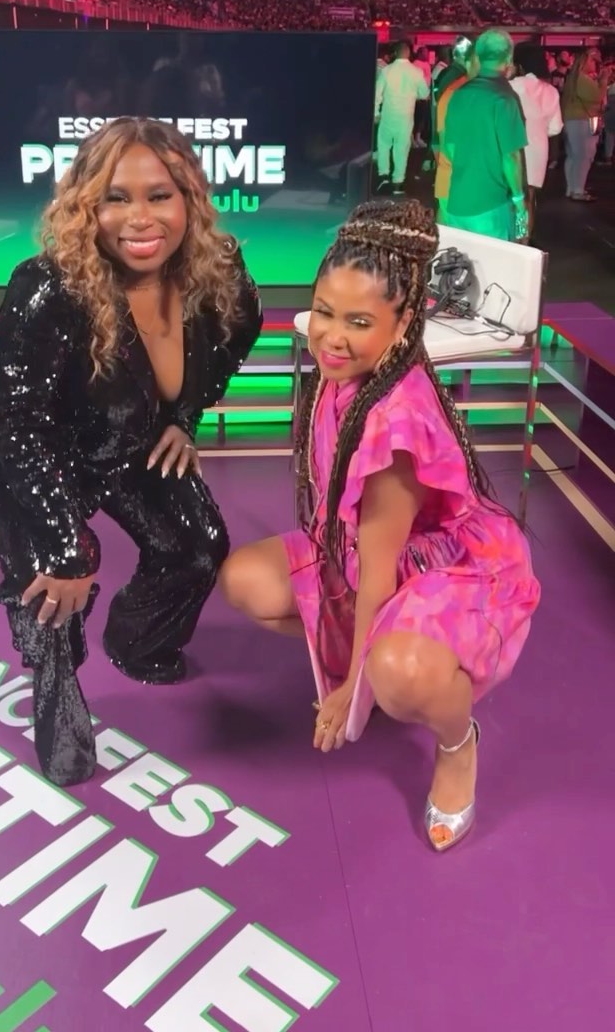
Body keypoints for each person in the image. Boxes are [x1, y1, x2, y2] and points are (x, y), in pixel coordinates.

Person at [221, 200, 539, 853]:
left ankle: (456, 741)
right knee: (246, 580)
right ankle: (385, 672)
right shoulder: (345, 376)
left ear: (401, 327)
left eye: (359, 322)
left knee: (397, 672)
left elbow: (378, 568)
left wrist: (352, 689)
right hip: (366, 553)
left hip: (443, 568)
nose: (332, 337)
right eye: (325, 312)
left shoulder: (394, 427)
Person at [0, 117, 262, 787]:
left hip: (126, 432)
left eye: (159, 195)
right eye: (114, 198)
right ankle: (61, 725)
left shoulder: (217, 268)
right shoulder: (47, 286)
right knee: (53, 593)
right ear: (85, 206)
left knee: (198, 544)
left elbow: (238, 333)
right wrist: (68, 548)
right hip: (29, 454)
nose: (139, 217)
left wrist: (183, 418)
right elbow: (15, 424)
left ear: (189, 197)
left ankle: (138, 643)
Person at [443, 28, 529, 242]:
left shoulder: (458, 94)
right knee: (493, 262)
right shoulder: (505, 98)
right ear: (509, 58)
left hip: (457, 201)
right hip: (491, 205)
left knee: (460, 261)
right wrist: (519, 201)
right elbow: (511, 156)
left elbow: (450, 149)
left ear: (478, 57)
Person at [510, 43, 563, 228]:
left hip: (512, 146)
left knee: (512, 195)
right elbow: (556, 128)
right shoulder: (550, 91)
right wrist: (539, 130)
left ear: (519, 64)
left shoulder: (510, 87)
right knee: (530, 196)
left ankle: (511, 237)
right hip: (538, 148)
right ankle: (525, 237)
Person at [375, 40, 429, 193]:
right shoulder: (416, 72)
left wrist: (376, 113)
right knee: (401, 149)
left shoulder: (387, 70)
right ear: (408, 53)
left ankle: (383, 176)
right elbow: (424, 94)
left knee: (384, 145)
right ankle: (398, 183)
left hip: (388, 115)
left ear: (395, 53)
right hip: (406, 117)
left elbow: (377, 93)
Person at [432, 36, 473, 224]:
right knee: (449, 199)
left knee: (446, 198)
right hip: (450, 142)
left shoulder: (450, 74)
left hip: (445, 141)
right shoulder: (456, 78)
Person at [561, 48, 606, 202]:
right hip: (581, 120)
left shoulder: (573, 78)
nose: (595, 64)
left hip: (572, 119)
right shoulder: (582, 79)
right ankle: (578, 190)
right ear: (584, 61)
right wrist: (603, 80)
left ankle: (572, 188)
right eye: (592, 60)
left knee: (573, 156)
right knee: (583, 156)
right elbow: (597, 97)